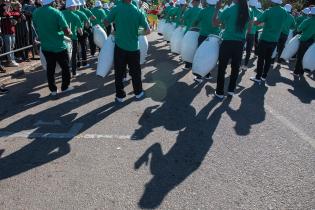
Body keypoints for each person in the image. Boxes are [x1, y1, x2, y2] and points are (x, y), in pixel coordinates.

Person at [105, 0, 150, 103]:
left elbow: (106, 22)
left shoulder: (116, 8)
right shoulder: (139, 11)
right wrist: (136, 32)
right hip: (134, 47)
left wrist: (117, 27)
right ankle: (138, 93)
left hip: (120, 47)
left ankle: (120, 96)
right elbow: (148, 31)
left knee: (119, 73)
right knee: (135, 72)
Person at [33, 0, 73, 96]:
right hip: (59, 46)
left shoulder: (36, 12)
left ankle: (53, 90)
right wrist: (70, 33)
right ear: (52, 2)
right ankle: (65, 87)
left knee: (50, 69)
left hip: (46, 46)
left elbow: (36, 26)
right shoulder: (56, 12)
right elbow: (67, 30)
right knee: (65, 68)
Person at [212, 0, 250, 99]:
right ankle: (231, 90)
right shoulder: (247, 11)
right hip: (240, 44)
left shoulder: (229, 9)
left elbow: (215, 24)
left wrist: (217, 9)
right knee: (235, 68)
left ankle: (219, 92)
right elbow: (249, 29)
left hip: (227, 42)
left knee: (222, 68)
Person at [250, 0, 287, 83]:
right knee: (268, 59)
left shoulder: (268, 11)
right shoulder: (284, 12)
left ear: (273, 2)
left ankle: (258, 77)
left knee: (261, 59)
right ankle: (264, 76)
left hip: (265, 38)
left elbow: (257, 23)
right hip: (275, 39)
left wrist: (254, 19)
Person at [192, 0, 219, 83]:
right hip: (214, 38)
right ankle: (208, 74)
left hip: (203, 36)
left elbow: (195, 22)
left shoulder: (202, 11)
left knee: (201, 55)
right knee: (210, 56)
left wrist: (194, 25)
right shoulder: (220, 12)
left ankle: (199, 77)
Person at [62, 0, 84, 77]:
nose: (76, 6)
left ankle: (65, 74)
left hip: (62, 39)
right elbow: (80, 31)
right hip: (72, 39)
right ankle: (74, 73)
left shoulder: (60, 14)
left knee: (64, 57)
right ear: (70, 6)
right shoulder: (76, 16)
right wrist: (81, 33)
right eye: (74, 5)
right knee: (73, 56)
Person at [292, 6, 315, 77]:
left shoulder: (307, 20)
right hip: (312, 42)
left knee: (300, 56)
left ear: (311, 14)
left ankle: (296, 72)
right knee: (306, 56)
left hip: (304, 40)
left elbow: (299, 29)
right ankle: (301, 72)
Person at [182, 0, 201, 70]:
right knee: (196, 48)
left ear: (193, 3)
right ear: (199, 3)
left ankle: (188, 65)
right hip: (199, 32)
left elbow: (183, 18)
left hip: (190, 31)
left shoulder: (190, 10)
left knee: (188, 48)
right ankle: (194, 63)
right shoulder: (202, 10)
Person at [1, 1, 20, 67]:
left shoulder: (10, 7)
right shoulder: (2, 7)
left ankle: (13, 58)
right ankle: (10, 61)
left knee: (12, 45)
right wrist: (9, 12)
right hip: (6, 30)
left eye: (9, 1)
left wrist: (11, 14)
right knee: (8, 46)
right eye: (6, 1)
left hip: (12, 29)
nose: (8, 1)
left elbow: (17, 13)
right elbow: (6, 14)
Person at [241, 0, 258, 71]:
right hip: (252, 33)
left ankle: (238, 65)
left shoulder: (244, 9)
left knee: (241, 49)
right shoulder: (261, 12)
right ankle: (245, 65)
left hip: (243, 32)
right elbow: (260, 24)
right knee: (248, 51)